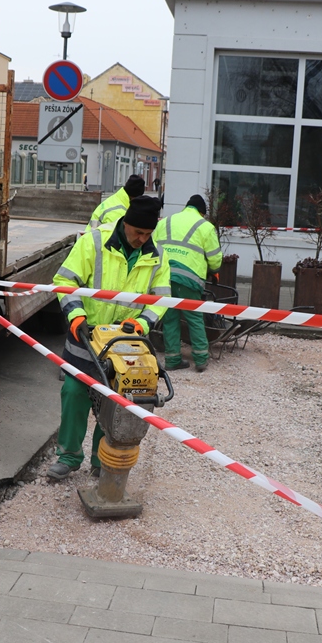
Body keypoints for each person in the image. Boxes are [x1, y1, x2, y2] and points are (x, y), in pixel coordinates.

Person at [47, 196, 171, 480]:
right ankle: (68, 456)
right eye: (138, 232)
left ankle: (100, 459)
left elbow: (161, 298)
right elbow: (64, 281)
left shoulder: (157, 255)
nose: (142, 239)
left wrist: (140, 324)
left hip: (124, 343)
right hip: (86, 336)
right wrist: (76, 315)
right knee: (74, 394)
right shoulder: (93, 242)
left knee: (114, 401)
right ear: (125, 223)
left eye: (148, 234)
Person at [154, 194, 223, 372]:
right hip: (188, 278)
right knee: (194, 317)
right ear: (202, 212)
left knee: (170, 318)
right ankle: (200, 359)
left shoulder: (165, 222)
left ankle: (172, 360)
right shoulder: (205, 226)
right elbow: (215, 260)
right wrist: (214, 271)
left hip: (164, 277)